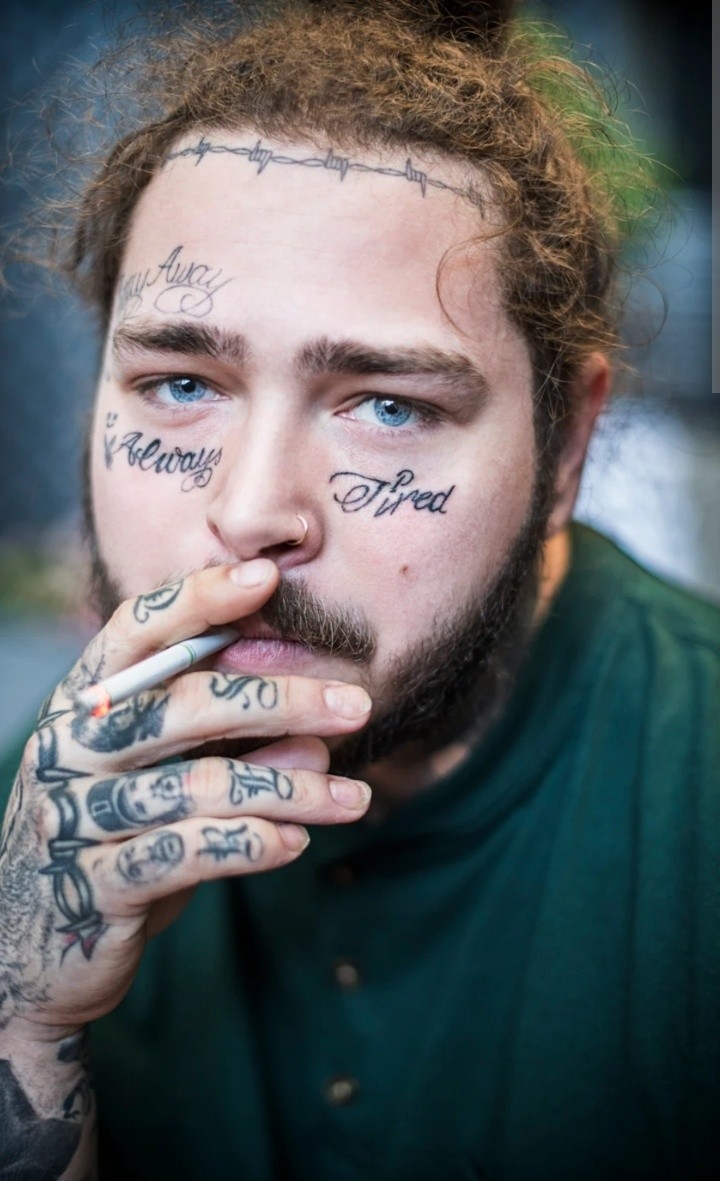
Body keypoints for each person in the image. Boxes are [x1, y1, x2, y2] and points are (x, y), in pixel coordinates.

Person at [0, 0, 717, 1176]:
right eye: (182, 383)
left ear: (565, 450)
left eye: (389, 405)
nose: (250, 510)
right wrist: (28, 1019)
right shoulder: (64, 790)